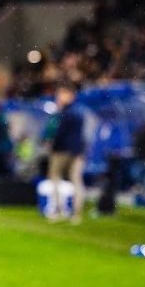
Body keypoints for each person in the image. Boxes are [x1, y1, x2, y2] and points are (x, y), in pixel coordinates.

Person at [43, 85, 85, 223]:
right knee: (75, 180)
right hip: (76, 150)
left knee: (56, 178)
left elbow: (58, 132)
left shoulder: (65, 112)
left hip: (62, 150)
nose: (59, 97)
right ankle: (75, 214)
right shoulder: (78, 111)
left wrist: (52, 144)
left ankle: (60, 211)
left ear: (70, 95)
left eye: (62, 94)